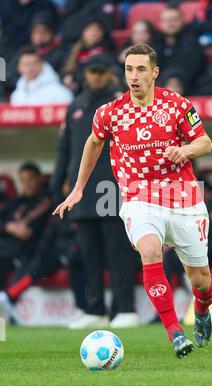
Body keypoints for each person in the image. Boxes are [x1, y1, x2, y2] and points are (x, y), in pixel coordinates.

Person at [53, 43, 212, 358]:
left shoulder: (177, 105)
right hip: (139, 197)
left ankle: (203, 309)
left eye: (141, 69)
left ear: (154, 72)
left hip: (183, 197)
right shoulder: (111, 112)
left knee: (201, 280)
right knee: (150, 250)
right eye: (129, 69)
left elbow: (205, 141)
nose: (134, 76)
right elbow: (93, 142)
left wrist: (186, 150)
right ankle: (175, 333)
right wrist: (78, 188)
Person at [51, 54, 139, 329]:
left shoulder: (121, 103)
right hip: (83, 189)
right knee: (88, 252)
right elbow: (65, 148)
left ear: (110, 74)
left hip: (112, 185)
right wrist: (59, 182)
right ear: (85, 74)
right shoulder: (75, 105)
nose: (96, 77)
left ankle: (126, 310)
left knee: (117, 250)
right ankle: (95, 309)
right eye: (92, 72)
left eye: (101, 72)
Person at [0, 163, 52, 289]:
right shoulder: (15, 202)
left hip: (23, 252)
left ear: (39, 178)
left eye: (30, 179)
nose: (27, 184)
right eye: (23, 180)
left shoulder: (49, 201)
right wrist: (8, 227)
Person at [153, 5, 206, 95]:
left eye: (174, 20)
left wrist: (174, 81)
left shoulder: (192, 41)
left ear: (182, 21)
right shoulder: (154, 43)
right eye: (167, 20)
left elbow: (195, 68)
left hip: (189, 89)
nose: (171, 24)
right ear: (160, 23)